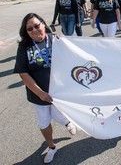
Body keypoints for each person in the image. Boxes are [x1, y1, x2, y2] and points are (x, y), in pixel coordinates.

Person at [14, 13, 77, 164]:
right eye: (30, 29)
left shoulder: (56, 39)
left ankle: (68, 123)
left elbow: (73, 58)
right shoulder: (24, 47)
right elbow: (23, 73)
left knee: (57, 112)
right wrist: (40, 93)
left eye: (37, 25)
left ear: (43, 24)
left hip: (59, 91)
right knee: (44, 122)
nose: (35, 30)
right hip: (38, 94)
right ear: (26, 32)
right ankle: (52, 147)